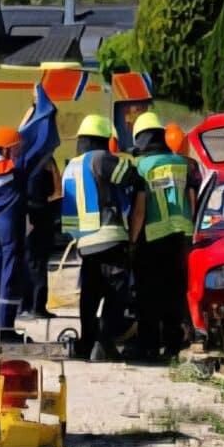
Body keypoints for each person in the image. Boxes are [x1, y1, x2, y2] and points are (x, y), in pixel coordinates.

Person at [59, 112, 142, 360]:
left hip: (84, 241)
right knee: (117, 293)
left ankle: (86, 343)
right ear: (103, 139)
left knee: (90, 294)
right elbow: (128, 176)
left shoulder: (72, 166)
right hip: (109, 235)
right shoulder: (100, 159)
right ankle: (104, 344)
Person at [0, 86, 58, 342]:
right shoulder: (15, 169)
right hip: (11, 228)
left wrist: (29, 113)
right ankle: (6, 330)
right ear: (9, 149)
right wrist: (38, 109)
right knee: (10, 277)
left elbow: (19, 136)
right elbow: (30, 141)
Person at [128, 111, 197, 360]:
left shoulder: (142, 167)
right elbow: (192, 199)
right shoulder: (181, 163)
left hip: (152, 238)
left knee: (148, 295)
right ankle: (173, 347)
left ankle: (148, 347)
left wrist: (132, 242)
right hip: (180, 237)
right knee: (175, 294)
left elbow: (139, 210)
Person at [23, 144, 63, 319]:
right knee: (39, 263)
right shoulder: (47, 161)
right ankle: (37, 307)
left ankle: (25, 305)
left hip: (27, 215)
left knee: (29, 261)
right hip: (41, 215)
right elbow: (57, 190)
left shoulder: (24, 161)